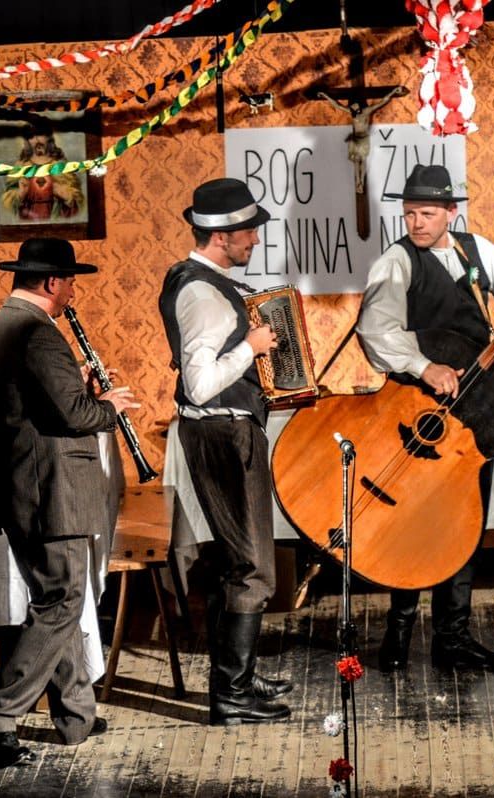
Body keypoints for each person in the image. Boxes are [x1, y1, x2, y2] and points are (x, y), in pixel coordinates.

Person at [357, 164, 494, 672]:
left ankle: (452, 638)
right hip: (417, 410)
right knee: (413, 521)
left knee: (463, 521)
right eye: (410, 213)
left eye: (427, 213)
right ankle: (398, 632)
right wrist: (425, 366)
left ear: (450, 212)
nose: (417, 223)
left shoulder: (474, 250)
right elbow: (375, 330)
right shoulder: (397, 261)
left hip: (473, 408)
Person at [0, 238, 137, 757]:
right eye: (70, 283)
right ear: (51, 282)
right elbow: (74, 416)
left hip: (21, 490)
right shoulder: (38, 332)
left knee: (57, 600)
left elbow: (38, 402)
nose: (72, 293)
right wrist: (109, 405)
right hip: (51, 494)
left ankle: (75, 716)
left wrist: (75, 385)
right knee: (61, 602)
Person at [157, 178, 293, 725]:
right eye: (248, 232)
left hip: (222, 430)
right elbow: (199, 385)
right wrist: (252, 348)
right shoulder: (201, 292)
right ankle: (230, 695)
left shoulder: (195, 281)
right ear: (221, 236)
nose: (255, 240)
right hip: (223, 433)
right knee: (255, 568)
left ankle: (239, 677)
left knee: (238, 561)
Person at [318, 85, 408, 194]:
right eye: (353, 106)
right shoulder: (351, 112)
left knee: (363, 160)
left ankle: (362, 181)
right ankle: (358, 182)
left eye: (355, 106)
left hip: (364, 139)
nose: (354, 107)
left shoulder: (366, 111)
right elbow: (337, 105)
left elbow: (382, 101)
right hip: (356, 139)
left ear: (359, 105)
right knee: (356, 162)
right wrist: (325, 95)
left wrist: (393, 91)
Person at [1, 126, 85, 220]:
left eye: (41, 135)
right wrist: (20, 194)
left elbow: (79, 198)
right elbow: (6, 201)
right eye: (32, 137)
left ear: (49, 138)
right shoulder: (20, 166)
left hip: (55, 219)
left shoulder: (60, 165)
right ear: (27, 141)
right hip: (28, 220)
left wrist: (67, 195)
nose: (37, 140)